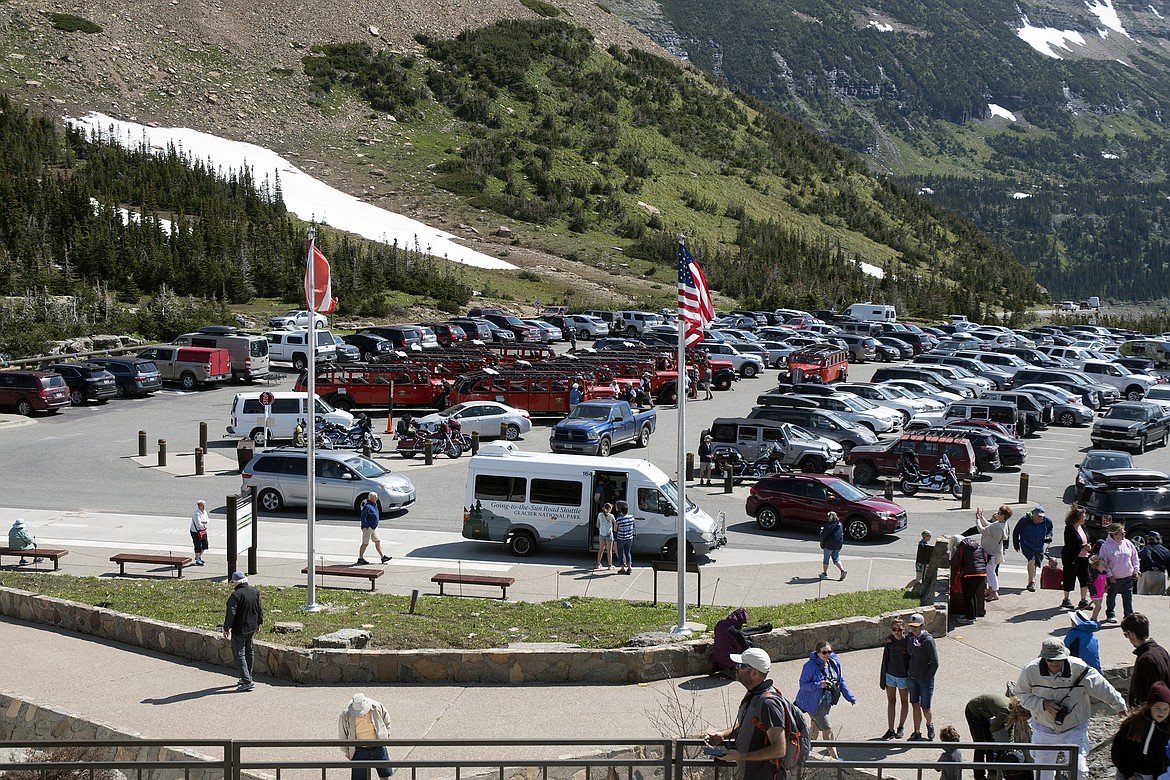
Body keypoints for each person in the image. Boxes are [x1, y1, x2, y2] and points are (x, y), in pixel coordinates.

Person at [1016, 637, 1126, 780]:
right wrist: (1043, 704)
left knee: (1079, 772)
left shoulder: (1079, 668)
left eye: (1059, 659)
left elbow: (1101, 687)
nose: (1055, 663)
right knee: (1042, 774)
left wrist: (1119, 705)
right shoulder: (1030, 670)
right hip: (1043, 728)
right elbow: (1021, 695)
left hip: (1074, 727)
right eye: (1050, 660)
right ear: (1043, 658)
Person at [704, 647, 789, 780]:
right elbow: (749, 725)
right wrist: (723, 735)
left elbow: (779, 749)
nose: (736, 668)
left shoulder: (768, 704)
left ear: (754, 673)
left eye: (741, 665)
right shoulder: (754, 695)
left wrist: (740, 756)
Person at [795, 639, 856, 760]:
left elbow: (840, 680)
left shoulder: (833, 662)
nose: (827, 654)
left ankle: (806, 751)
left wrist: (849, 696)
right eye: (824, 652)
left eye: (829, 651)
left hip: (827, 702)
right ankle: (835, 759)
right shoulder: (810, 666)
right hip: (814, 704)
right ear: (817, 653)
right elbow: (803, 684)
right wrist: (818, 684)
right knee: (828, 730)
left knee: (815, 727)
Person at [1111, 681, 1170, 780]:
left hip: (1155, 776)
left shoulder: (1167, 728)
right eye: (1157, 708)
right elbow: (1118, 750)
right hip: (1129, 775)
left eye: (1166, 709)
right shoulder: (1133, 725)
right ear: (1149, 707)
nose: (1161, 712)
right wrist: (1128, 773)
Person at [222, 571, 263, 692]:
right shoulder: (254, 592)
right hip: (251, 628)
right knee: (249, 651)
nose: (232, 584)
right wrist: (259, 623)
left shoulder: (236, 596)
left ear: (236, 582)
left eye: (232, 582)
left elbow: (231, 613)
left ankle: (247, 681)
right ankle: (247, 676)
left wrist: (226, 628)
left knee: (239, 654)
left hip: (240, 629)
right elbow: (259, 609)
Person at [338, 692, 394, 780]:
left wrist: (385, 736)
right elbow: (343, 734)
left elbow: (387, 720)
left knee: (385, 776)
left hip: (378, 746)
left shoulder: (376, 707)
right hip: (359, 749)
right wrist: (346, 751)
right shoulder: (346, 715)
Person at [1122, 613, 1170, 708]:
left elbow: (1150, 695)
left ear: (1132, 634)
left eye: (1126, 635)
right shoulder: (1160, 650)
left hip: (1150, 716)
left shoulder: (1146, 660)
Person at [963, 691, 1013, 780]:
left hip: (982, 712)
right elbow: (993, 729)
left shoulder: (1011, 706)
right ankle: (979, 776)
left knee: (991, 743)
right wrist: (1003, 724)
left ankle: (992, 771)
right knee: (980, 746)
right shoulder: (1005, 711)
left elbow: (1008, 726)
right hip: (973, 711)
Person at [906, 612, 939, 741]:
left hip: (925, 679)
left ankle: (929, 725)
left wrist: (927, 677)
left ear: (922, 626)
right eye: (912, 626)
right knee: (915, 704)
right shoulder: (909, 638)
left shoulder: (928, 641)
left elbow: (935, 663)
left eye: (916, 626)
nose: (913, 629)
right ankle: (916, 731)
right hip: (912, 677)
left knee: (925, 708)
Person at [1101, 522, 1140, 624]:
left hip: (1128, 577)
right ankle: (1110, 614)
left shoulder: (1128, 543)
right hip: (1114, 578)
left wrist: (1136, 570)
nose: (1123, 535)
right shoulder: (1106, 546)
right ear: (1114, 534)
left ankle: (1128, 616)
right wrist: (1110, 575)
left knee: (1128, 598)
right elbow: (1103, 562)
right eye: (1121, 533)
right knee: (1111, 597)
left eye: (1124, 533)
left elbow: (1134, 558)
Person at [879, 617, 910, 740]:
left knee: (904, 702)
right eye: (894, 629)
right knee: (891, 702)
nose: (897, 632)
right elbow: (885, 659)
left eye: (899, 629)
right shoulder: (890, 642)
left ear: (904, 629)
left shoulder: (908, 641)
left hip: (903, 677)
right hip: (890, 676)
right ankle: (890, 729)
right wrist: (882, 678)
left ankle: (900, 727)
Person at [1012, 505, 1053, 592]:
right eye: (1038, 516)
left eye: (1041, 516)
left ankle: (1031, 580)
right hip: (1026, 544)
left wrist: (1049, 537)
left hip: (1039, 546)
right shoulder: (1024, 520)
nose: (1040, 518)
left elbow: (1050, 530)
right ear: (1033, 515)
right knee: (1032, 560)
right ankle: (1031, 582)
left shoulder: (1047, 521)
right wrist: (1016, 544)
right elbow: (1016, 532)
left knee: (1035, 564)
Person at [975, 505, 1011, 601]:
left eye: (999, 513)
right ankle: (991, 590)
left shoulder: (997, 526)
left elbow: (982, 530)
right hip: (995, 551)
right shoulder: (1003, 523)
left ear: (1003, 516)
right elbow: (988, 526)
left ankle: (994, 591)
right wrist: (982, 518)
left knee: (991, 573)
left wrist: (977, 520)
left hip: (991, 553)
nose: (997, 514)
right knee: (990, 571)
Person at [1060, 505, 1092, 610]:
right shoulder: (1069, 529)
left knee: (1085, 578)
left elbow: (1087, 540)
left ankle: (1083, 600)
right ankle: (1066, 599)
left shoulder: (1084, 528)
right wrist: (1082, 546)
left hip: (1084, 557)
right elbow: (1069, 544)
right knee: (1069, 577)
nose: (1084, 519)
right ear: (1077, 518)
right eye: (1083, 517)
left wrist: (1088, 546)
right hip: (1072, 558)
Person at [357, 492, 391, 566]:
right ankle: (360, 558)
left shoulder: (375, 505)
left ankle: (383, 557)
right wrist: (366, 526)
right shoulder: (367, 507)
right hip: (368, 528)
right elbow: (363, 518)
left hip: (374, 527)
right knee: (365, 543)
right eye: (376, 497)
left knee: (377, 541)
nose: (377, 498)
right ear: (372, 498)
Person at [1139, 530, 1170, 596]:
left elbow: (1147, 557)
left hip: (1148, 574)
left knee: (1142, 596)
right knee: (1157, 597)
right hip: (1161, 575)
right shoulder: (1166, 550)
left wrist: (1152, 566)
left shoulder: (1147, 548)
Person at [818, 512, 846, 581]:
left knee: (826, 559)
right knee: (836, 558)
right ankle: (842, 570)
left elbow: (823, 535)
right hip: (838, 545)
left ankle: (824, 573)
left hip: (829, 545)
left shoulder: (828, 526)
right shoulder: (840, 524)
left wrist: (821, 531)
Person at [613, 500, 635, 575]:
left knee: (620, 553)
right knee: (628, 552)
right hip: (629, 538)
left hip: (621, 538)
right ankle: (629, 567)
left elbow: (615, 529)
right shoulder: (631, 517)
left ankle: (622, 568)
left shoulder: (618, 519)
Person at [1088, 554, 1109, 622]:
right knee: (1098, 607)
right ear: (1097, 566)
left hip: (1100, 593)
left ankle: (1095, 618)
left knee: (1098, 607)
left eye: (1104, 564)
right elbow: (1090, 583)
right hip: (1095, 593)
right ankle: (1093, 619)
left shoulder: (1104, 573)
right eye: (1102, 564)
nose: (1104, 565)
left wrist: (1106, 587)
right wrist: (1093, 591)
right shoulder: (1094, 574)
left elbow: (1104, 582)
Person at [595, 502, 615, 570]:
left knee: (601, 549)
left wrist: (602, 527)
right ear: (609, 509)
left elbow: (597, 525)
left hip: (601, 533)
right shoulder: (611, 516)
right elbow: (615, 523)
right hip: (609, 534)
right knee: (609, 550)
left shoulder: (600, 515)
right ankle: (609, 565)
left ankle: (598, 564)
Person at [189, 499, 209, 567]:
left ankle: (198, 556)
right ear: (199, 506)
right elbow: (198, 524)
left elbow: (208, 520)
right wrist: (204, 522)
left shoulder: (204, 512)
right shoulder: (196, 513)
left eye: (204, 505)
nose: (204, 507)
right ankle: (197, 559)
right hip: (195, 531)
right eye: (202, 505)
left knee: (205, 544)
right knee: (197, 545)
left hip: (203, 530)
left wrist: (204, 522)